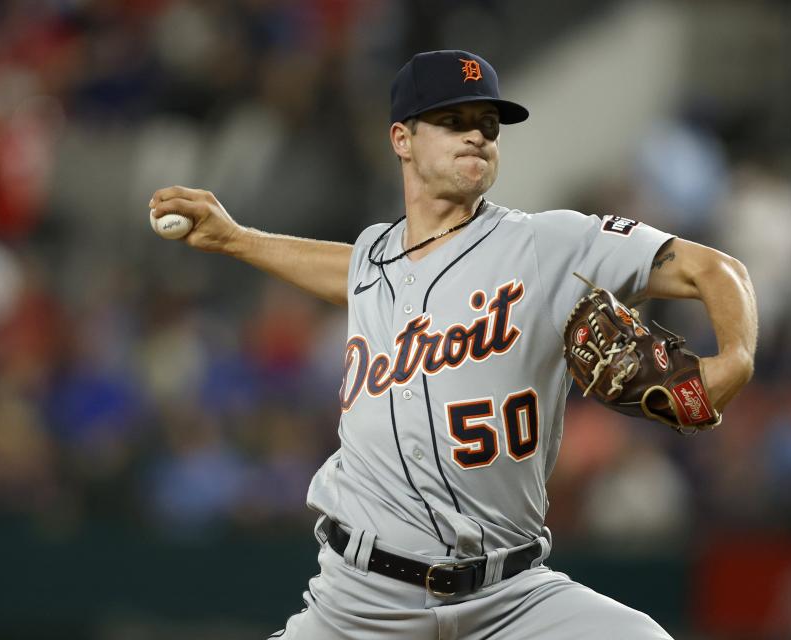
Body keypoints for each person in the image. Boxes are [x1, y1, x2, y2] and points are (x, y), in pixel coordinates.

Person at [149, 49, 757, 640]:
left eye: (488, 126)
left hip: (513, 597)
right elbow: (350, 272)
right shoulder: (374, 259)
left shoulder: (546, 245)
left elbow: (716, 270)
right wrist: (237, 240)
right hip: (361, 604)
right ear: (402, 140)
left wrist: (735, 359)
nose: (477, 137)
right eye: (452, 121)